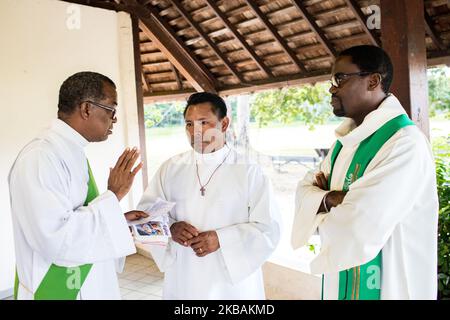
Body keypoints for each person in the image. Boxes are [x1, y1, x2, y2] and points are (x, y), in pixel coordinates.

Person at [291, 45, 439, 300]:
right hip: (341, 281)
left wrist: (322, 205)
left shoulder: (404, 142)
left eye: (340, 78)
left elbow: (362, 221)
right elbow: (304, 190)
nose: (332, 88)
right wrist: (328, 199)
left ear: (373, 81)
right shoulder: (345, 143)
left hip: (390, 281)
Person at [9, 71, 148, 300]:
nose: (115, 119)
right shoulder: (40, 158)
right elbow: (56, 238)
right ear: (86, 109)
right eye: (111, 109)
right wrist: (113, 195)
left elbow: (75, 213)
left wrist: (116, 217)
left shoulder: (69, 150)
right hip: (55, 289)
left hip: (87, 283)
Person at [137, 92, 281, 300]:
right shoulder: (171, 169)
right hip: (184, 276)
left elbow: (269, 229)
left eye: (203, 123)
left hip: (231, 283)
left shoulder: (249, 171)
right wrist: (170, 227)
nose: (195, 132)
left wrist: (221, 239)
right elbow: (144, 216)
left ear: (224, 124)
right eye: (188, 124)